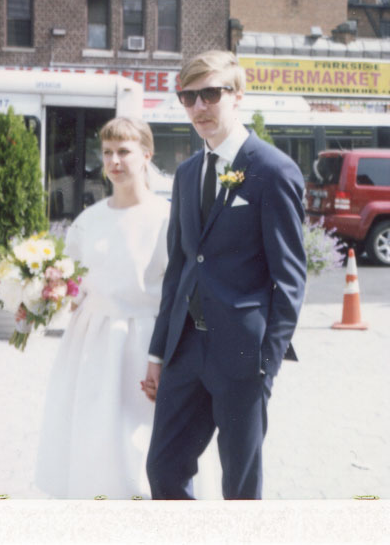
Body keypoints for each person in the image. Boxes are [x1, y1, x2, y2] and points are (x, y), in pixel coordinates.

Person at [143, 50, 307, 500]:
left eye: (210, 94)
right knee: (163, 470)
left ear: (238, 96)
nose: (198, 107)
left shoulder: (272, 170)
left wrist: (265, 366)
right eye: (188, 97)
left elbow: (290, 280)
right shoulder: (187, 173)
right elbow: (179, 269)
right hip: (184, 354)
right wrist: (159, 353)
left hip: (242, 357)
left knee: (239, 486)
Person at [33, 117, 217, 499]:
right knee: (95, 432)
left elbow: (179, 292)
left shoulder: (166, 218)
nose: (114, 161)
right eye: (107, 153)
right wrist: (41, 293)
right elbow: (73, 284)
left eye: (124, 152)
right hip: (92, 342)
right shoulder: (89, 220)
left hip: (144, 344)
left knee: (141, 438)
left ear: (146, 155)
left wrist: (166, 357)